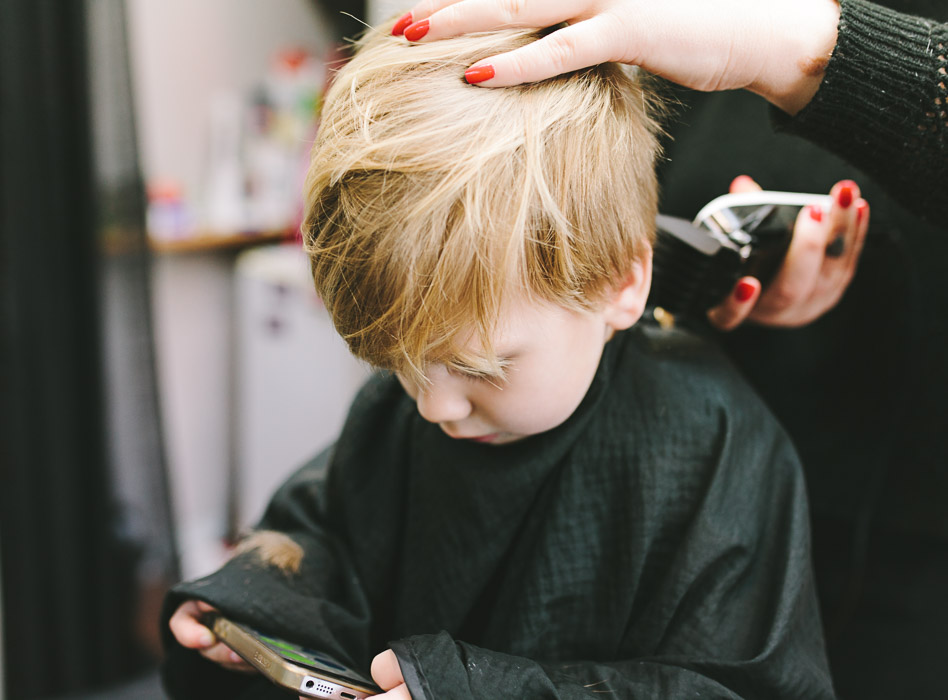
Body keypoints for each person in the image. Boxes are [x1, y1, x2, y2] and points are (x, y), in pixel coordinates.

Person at [161, 21, 835, 700]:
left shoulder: (711, 444)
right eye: (398, 363)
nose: (434, 407)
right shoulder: (401, 413)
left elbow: (736, 689)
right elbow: (323, 542)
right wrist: (251, 611)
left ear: (622, 282)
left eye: (481, 367)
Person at [393, 0, 948, 697]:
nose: (432, 403)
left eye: (484, 363)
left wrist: (801, 50)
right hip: (671, 427)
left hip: (905, 523)